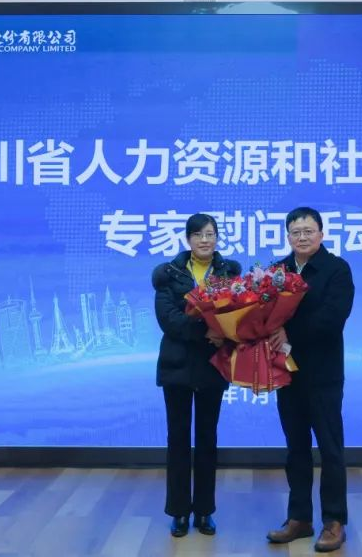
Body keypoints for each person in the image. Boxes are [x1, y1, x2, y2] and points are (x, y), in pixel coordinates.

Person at [266, 207, 355, 553]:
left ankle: (334, 521)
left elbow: (332, 319)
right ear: (288, 236)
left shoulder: (337, 269)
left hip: (323, 375)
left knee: (330, 449)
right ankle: (299, 518)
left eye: (308, 231)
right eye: (295, 232)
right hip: (287, 373)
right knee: (296, 449)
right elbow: (263, 315)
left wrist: (288, 333)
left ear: (321, 234)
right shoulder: (277, 271)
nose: (301, 237)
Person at [152, 213, 242, 538]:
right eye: (198, 234)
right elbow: (168, 319)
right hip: (177, 367)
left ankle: (204, 511)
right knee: (177, 440)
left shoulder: (229, 273)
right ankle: (178, 511)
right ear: (188, 239)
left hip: (212, 367)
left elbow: (239, 315)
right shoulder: (169, 274)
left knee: (207, 439)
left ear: (217, 238)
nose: (205, 240)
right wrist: (206, 331)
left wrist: (226, 332)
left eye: (210, 234)